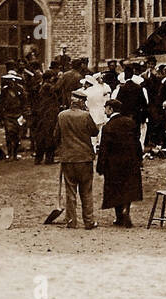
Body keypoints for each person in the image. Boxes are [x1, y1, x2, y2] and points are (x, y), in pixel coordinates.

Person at [55, 89, 99, 230]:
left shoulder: (61, 115)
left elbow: (56, 135)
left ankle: (71, 221)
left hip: (68, 158)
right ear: (81, 103)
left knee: (70, 190)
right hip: (84, 157)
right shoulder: (86, 116)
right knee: (86, 191)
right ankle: (89, 221)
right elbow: (95, 132)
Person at [97, 98, 143, 227]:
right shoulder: (131, 123)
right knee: (128, 187)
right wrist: (139, 159)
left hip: (114, 163)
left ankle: (119, 216)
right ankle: (126, 210)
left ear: (110, 109)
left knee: (115, 189)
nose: (105, 110)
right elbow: (137, 142)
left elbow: (104, 148)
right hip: (131, 161)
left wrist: (100, 166)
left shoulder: (108, 126)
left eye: (106, 108)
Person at [0, 71, 27, 159]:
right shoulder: (5, 91)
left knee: (17, 135)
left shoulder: (20, 90)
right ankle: (10, 153)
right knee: (9, 134)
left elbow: (24, 102)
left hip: (18, 114)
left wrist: (24, 114)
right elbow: (0, 104)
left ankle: (15, 153)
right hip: (8, 115)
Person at [33, 70, 61, 164]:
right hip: (49, 114)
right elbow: (57, 89)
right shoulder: (47, 86)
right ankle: (49, 159)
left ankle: (38, 158)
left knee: (41, 137)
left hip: (43, 114)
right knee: (49, 136)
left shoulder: (41, 86)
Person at [114, 63, 149, 132]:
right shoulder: (138, 88)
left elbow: (118, 102)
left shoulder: (122, 88)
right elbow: (144, 103)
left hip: (125, 115)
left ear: (125, 76)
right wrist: (143, 116)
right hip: (136, 115)